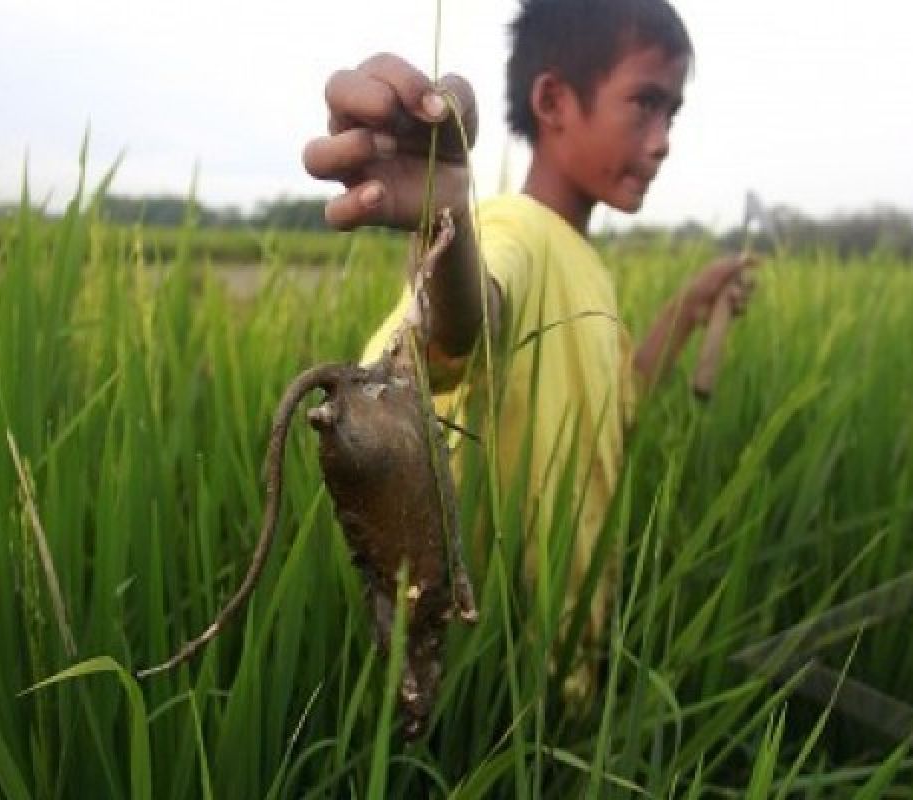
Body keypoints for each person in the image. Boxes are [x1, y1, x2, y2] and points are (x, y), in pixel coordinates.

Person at [302, 0, 755, 697]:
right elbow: (456, 333)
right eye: (645, 103)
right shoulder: (513, 230)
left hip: (567, 666)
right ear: (553, 100)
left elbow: (615, 398)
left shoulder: (586, 264)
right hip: (498, 688)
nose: (663, 139)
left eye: (673, 115)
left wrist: (691, 308)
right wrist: (446, 223)